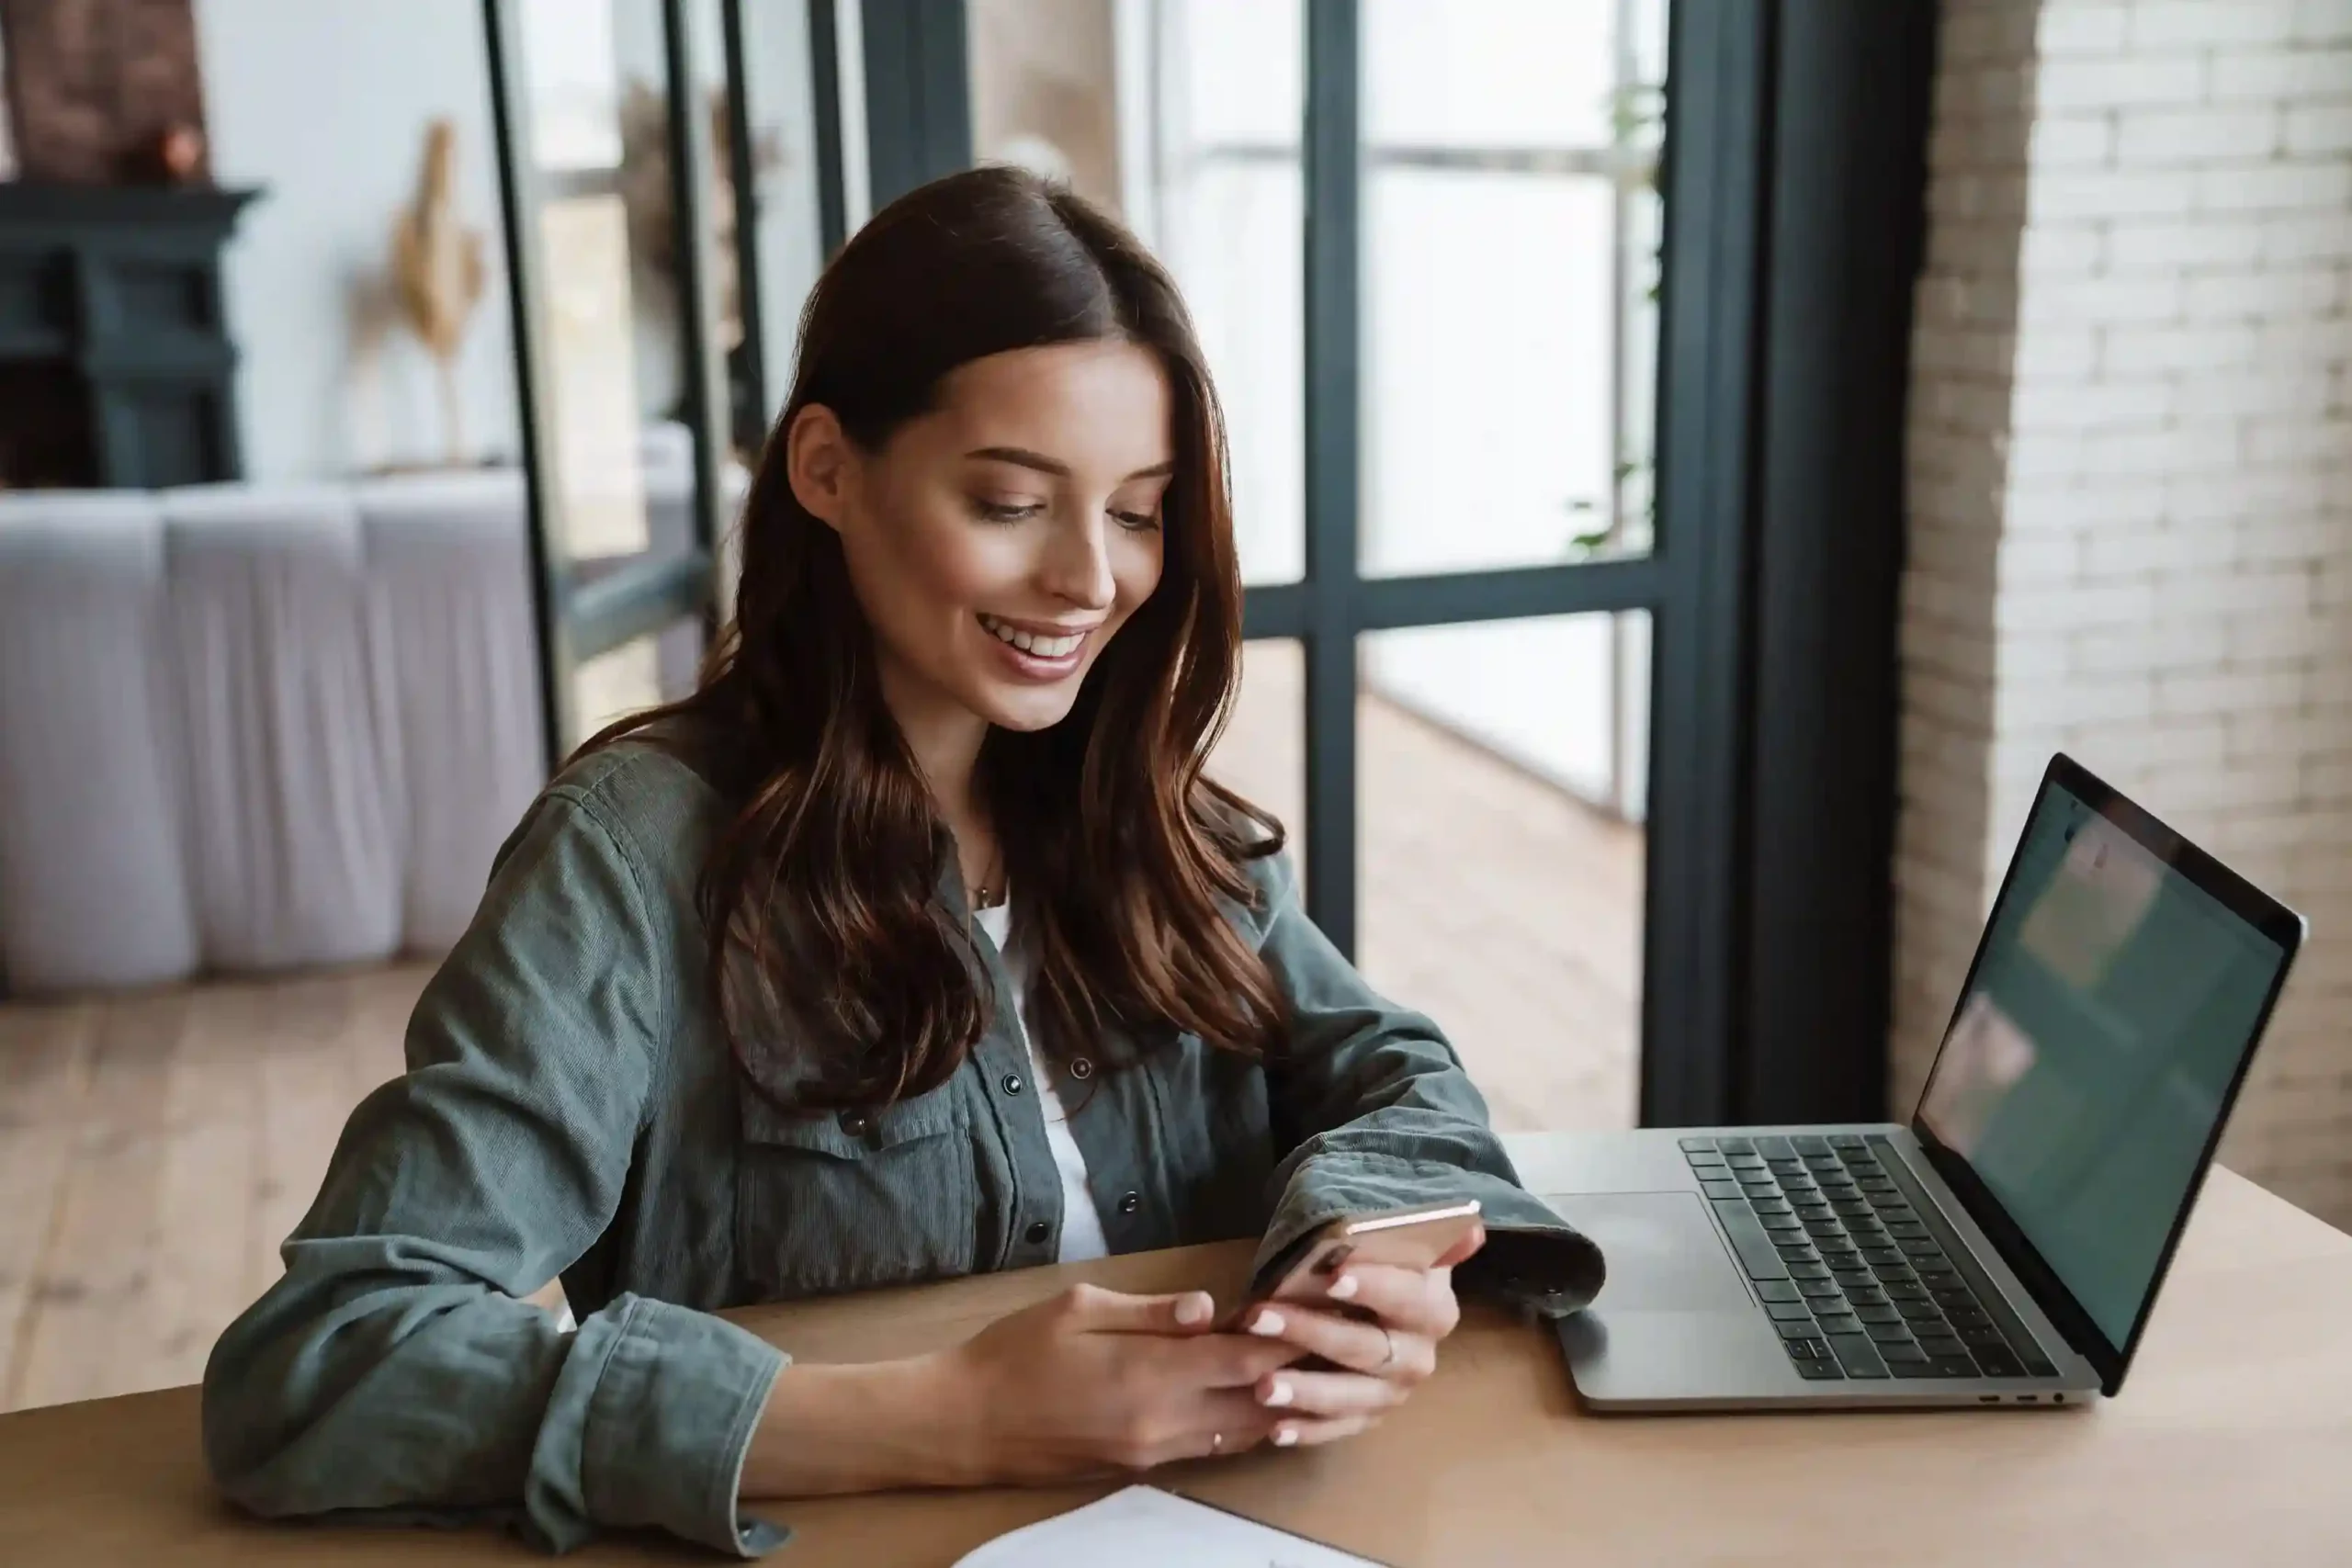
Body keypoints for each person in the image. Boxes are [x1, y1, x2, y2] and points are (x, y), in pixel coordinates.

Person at [200, 166, 1602, 1559]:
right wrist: (954, 1415)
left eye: (1136, 509)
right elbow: (326, 1363)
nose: (1091, 580)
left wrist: (1360, 1263)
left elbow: (1400, 1080)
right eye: (1010, 501)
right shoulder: (633, 857)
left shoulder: (1154, 820)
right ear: (826, 469)